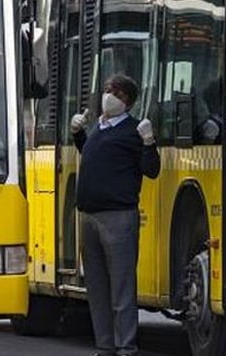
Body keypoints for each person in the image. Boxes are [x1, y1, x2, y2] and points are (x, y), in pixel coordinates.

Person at [70, 74, 160, 356]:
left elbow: (151, 169)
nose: (109, 96)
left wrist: (149, 142)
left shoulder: (134, 131)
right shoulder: (100, 127)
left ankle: (126, 347)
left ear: (128, 101)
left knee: (121, 287)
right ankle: (105, 346)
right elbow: (93, 154)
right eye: (108, 90)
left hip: (118, 218)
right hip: (89, 216)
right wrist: (78, 134)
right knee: (97, 289)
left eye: (116, 93)